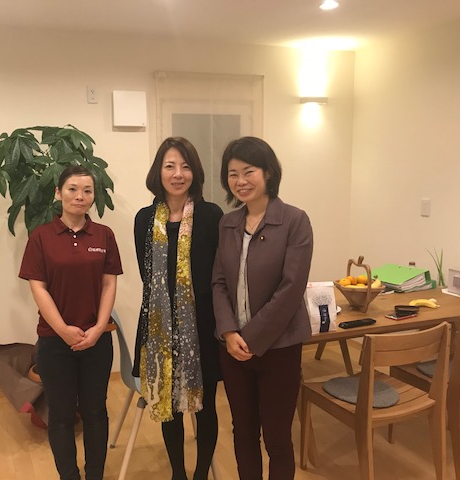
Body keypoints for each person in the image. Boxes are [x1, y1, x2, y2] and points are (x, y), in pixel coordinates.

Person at [212, 136, 313, 480]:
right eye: (233, 174)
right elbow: (218, 282)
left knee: (277, 437)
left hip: (279, 347)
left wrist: (251, 338)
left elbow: (291, 288)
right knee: (243, 432)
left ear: (268, 172)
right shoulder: (227, 223)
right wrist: (229, 332)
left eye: (249, 171)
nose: (240, 181)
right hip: (232, 348)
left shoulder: (295, 221)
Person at [19, 165, 123, 480]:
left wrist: (99, 328)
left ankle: (95, 475)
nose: (80, 196)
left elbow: (109, 284)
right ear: (58, 193)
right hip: (54, 342)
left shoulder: (104, 235)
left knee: (95, 412)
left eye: (87, 190)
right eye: (72, 189)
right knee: (61, 416)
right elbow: (38, 288)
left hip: (97, 341)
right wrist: (63, 330)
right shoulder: (41, 237)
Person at [133, 137, 223, 480]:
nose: (178, 174)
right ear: (158, 172)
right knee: (168, 407)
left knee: (206, 407)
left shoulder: (211, 216)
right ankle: (178, 474)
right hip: (159, 328)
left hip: (202, 327)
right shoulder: (144, 219)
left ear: (195, 172)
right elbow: (146, 276)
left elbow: (218, 275)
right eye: (169, 166)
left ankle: (200, 474)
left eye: (185, 166)